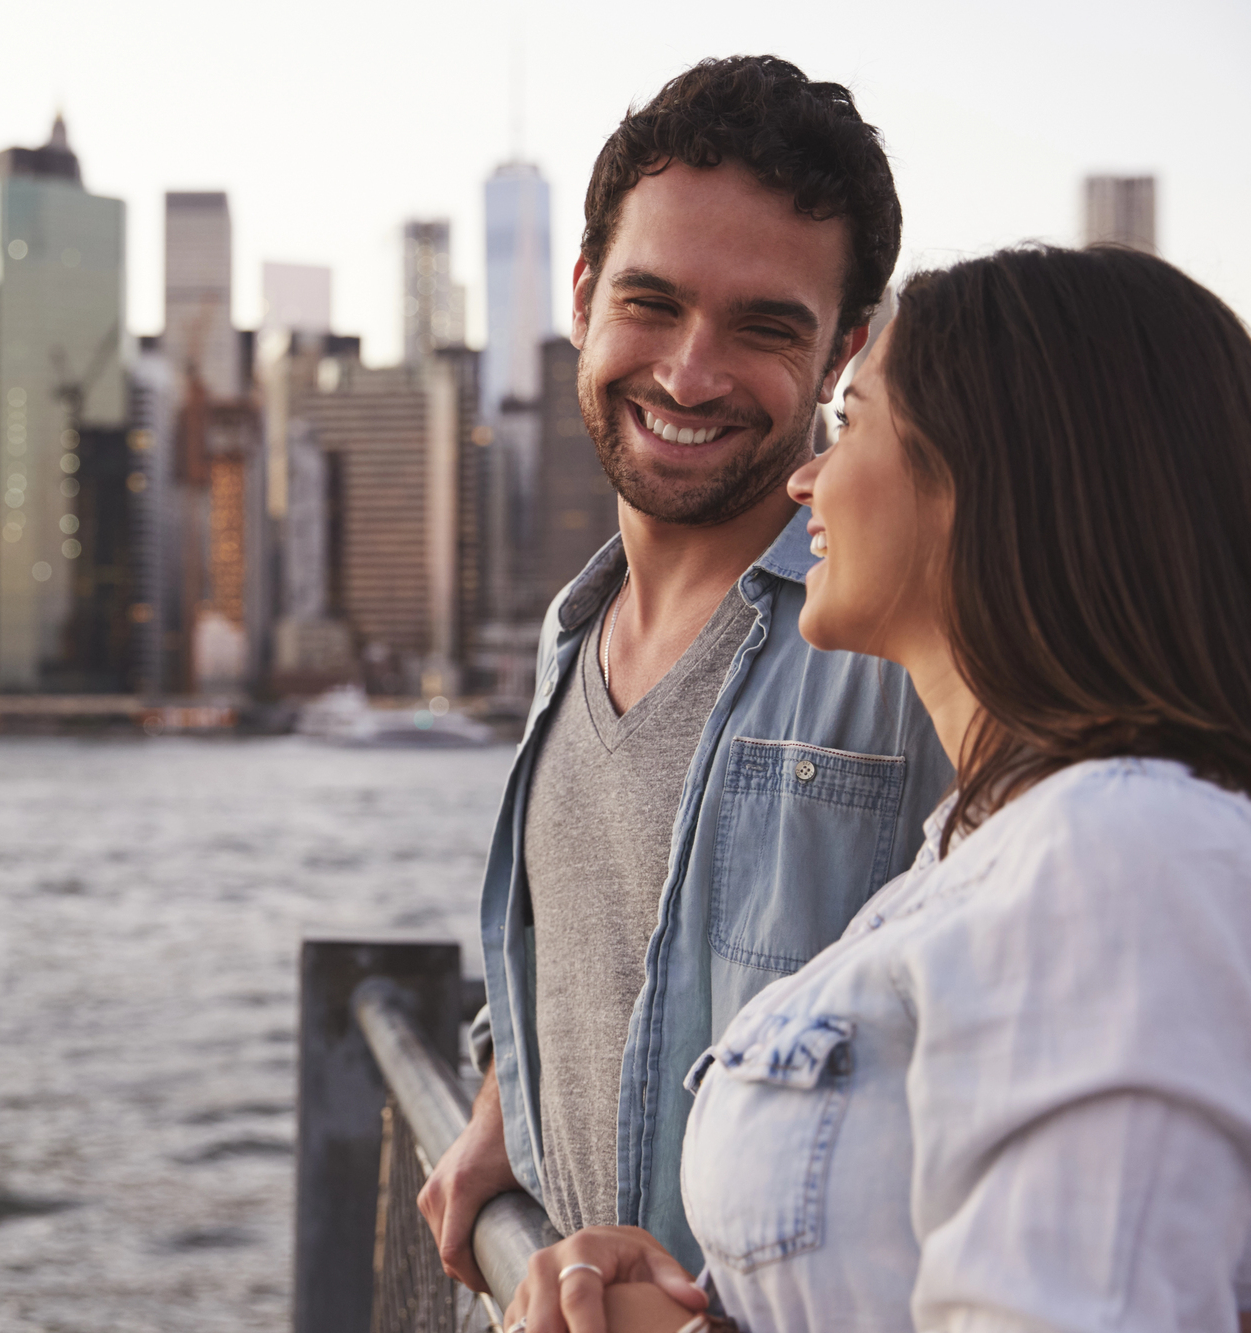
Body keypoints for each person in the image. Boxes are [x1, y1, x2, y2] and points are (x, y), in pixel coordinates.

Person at [504, 245, 1251, 1332]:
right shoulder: (974, 846)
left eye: (848, 423)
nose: (805, 475)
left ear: (989, 478)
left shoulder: (1122, 853)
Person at [418, 54, 954, 1287]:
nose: (688, 372)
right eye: (650, 303)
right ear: (581, 293)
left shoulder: (909, 641)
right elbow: (602, 944)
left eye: (763, 327)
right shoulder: (573, 629)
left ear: (844, 353)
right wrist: (515, 1084)